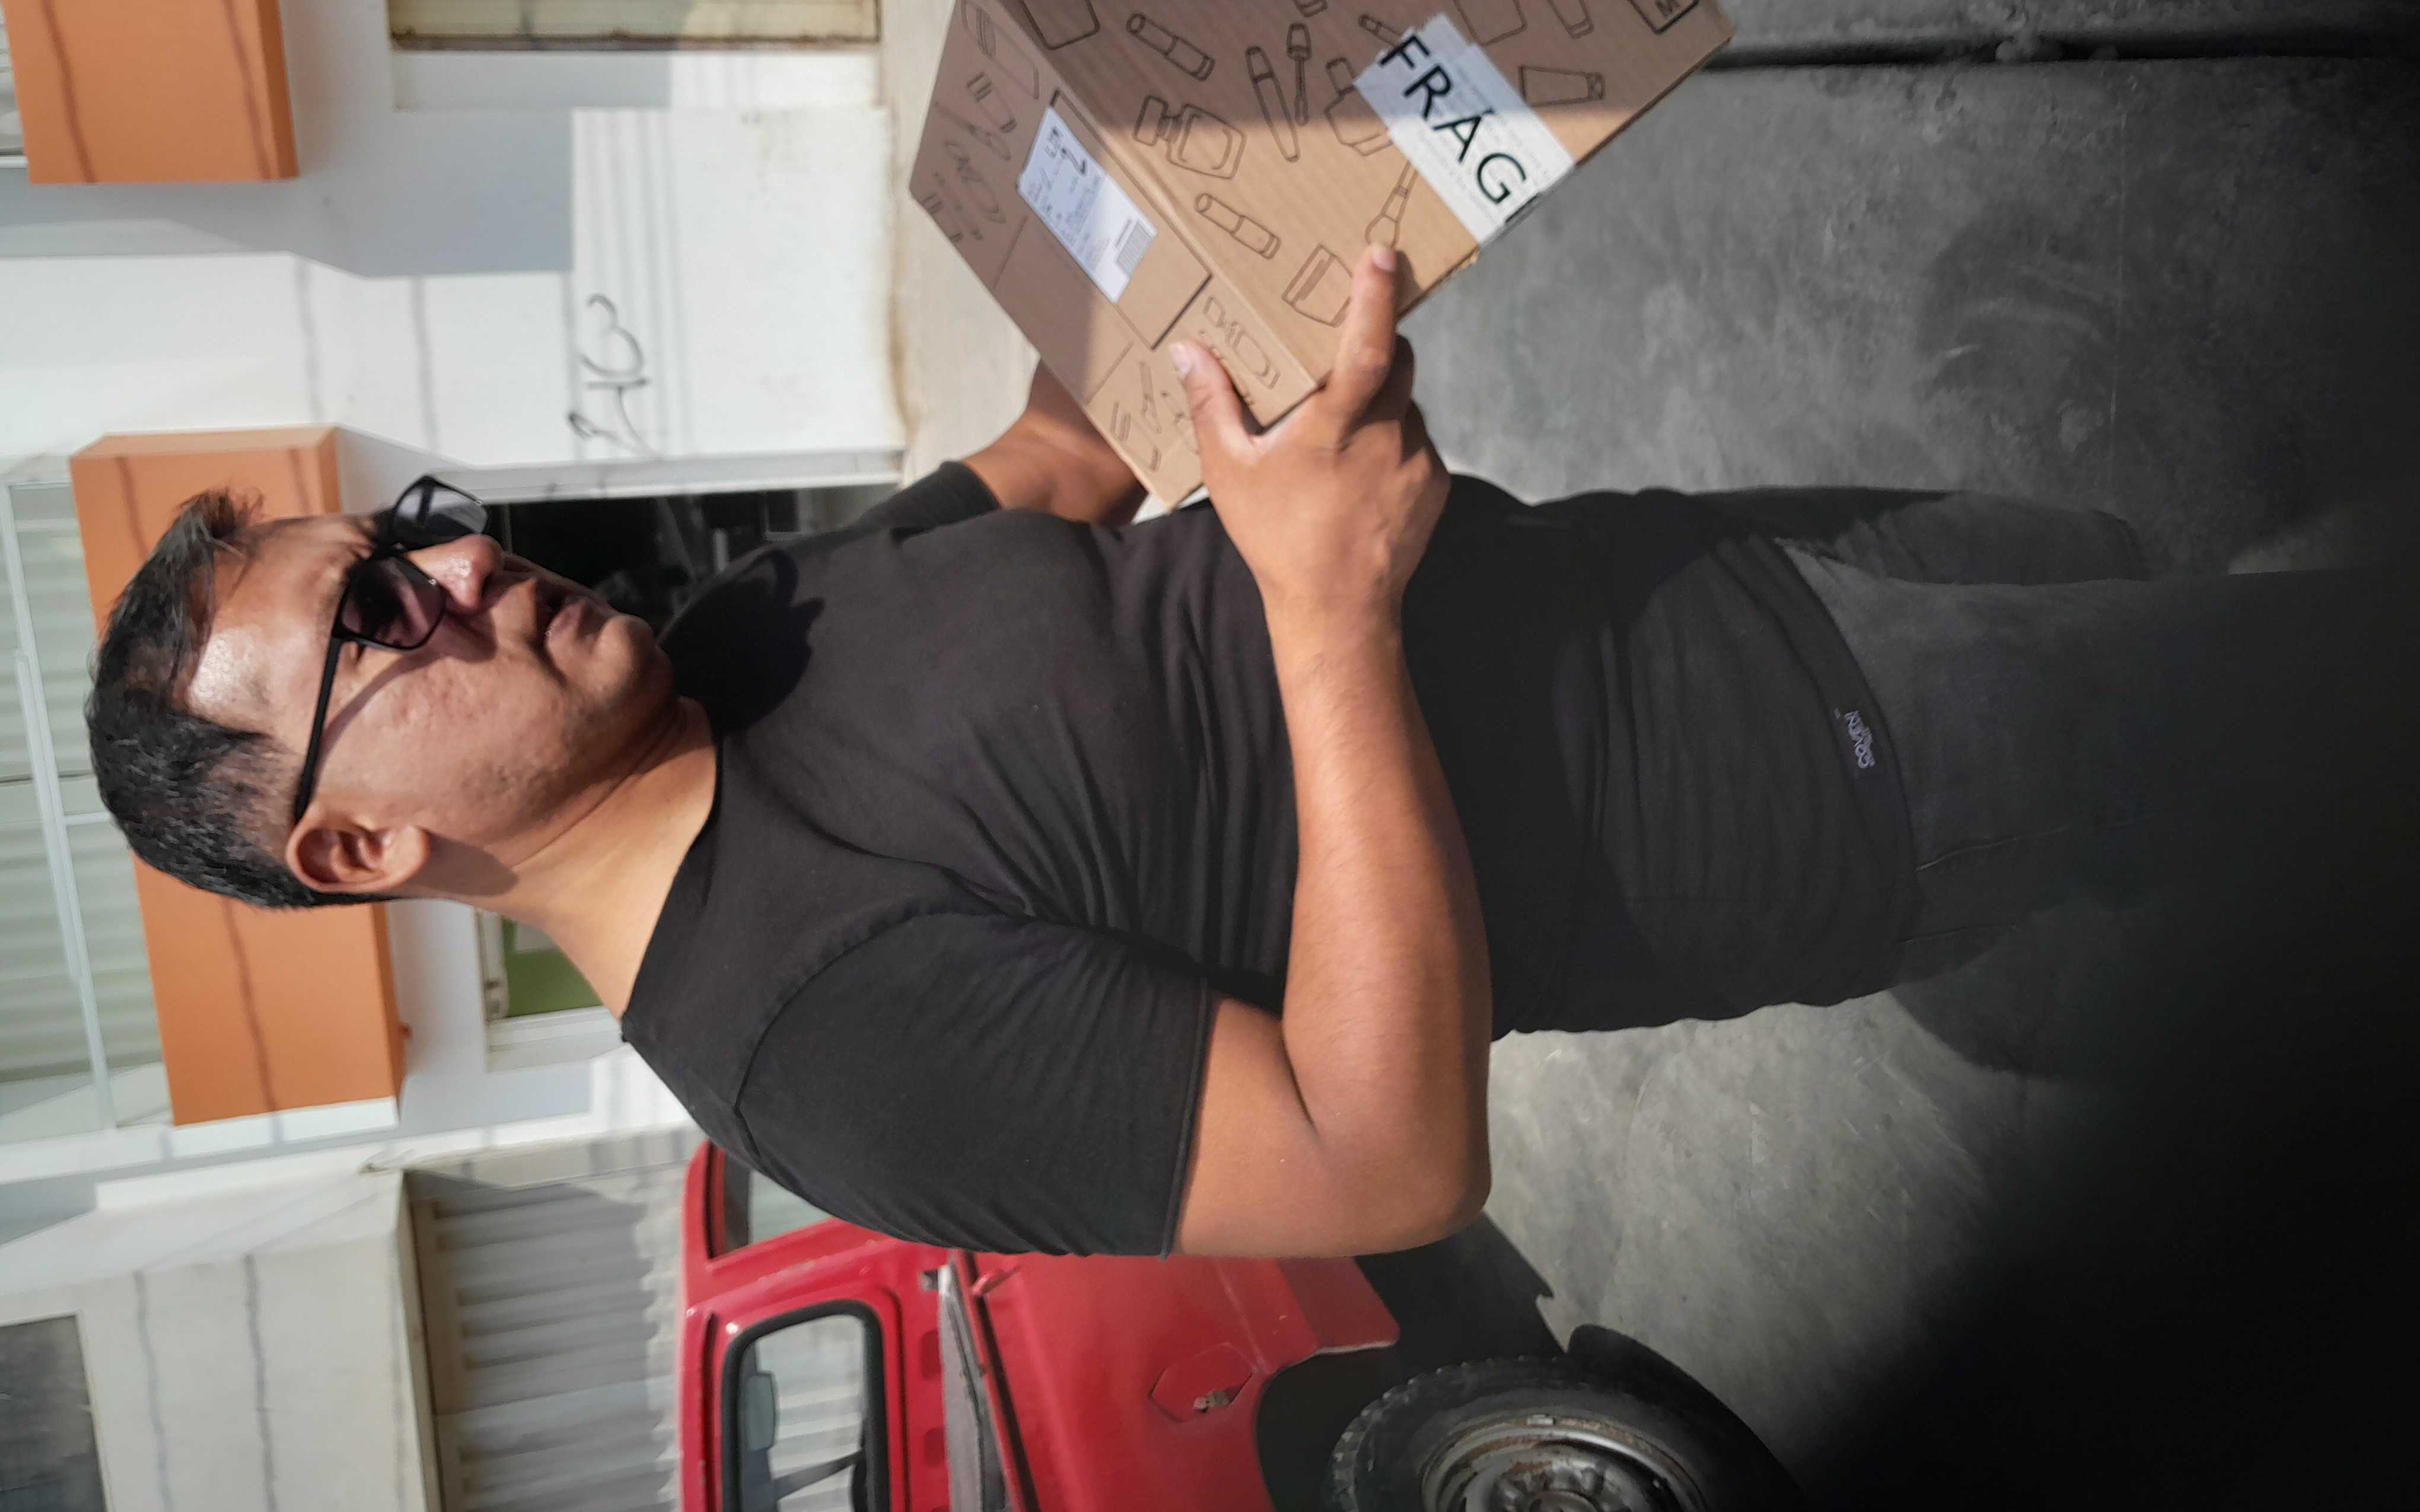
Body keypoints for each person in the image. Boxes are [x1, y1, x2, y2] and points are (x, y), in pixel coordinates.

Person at [87, 249, 2414, 1259]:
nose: (460, 560)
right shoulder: (814, 1048)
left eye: (404, 527)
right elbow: (1381, 1160)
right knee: (2319, 698)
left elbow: (1063, 456)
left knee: (2155, 580)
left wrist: (1206, 118)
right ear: (357, 844)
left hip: (1713, 564)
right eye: (378, 618)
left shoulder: (728, 638)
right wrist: (1328, 605)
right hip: (1810, 787)